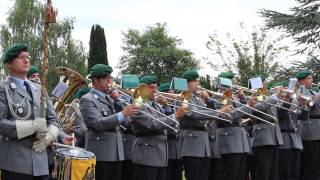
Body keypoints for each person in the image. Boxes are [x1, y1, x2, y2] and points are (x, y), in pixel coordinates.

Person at [0, 43, 59, 180]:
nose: (26, 60)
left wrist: (49, 136)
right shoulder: (4, 88)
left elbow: (54, 120)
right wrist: (33, 126)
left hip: (41, 163)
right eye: (21, 57)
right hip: (15, 164)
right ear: (9, 63)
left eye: (28, 57)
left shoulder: (40, 88)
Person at [79, 64, 138, 180]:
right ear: (95, 80)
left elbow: (126, 123)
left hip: (117, 154)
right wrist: (123, 114)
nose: (110, 81)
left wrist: (118, 102)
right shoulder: (87, 99)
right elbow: (97, 123)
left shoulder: (111, 99)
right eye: (107, 78)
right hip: (101, 154)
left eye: (111, 78)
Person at [130, 75, 187, 180]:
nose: (155, 90)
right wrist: (175, 116)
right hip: (146, 155)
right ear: (143, 89)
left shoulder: (157, 106)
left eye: (156, 87)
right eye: (152, 87)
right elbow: (153, 124)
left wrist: (168, 109)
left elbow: (169, 127)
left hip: (161, 156)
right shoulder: (138, 105)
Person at [179, 69, 232, 180]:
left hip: (203, 143)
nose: (198, 84)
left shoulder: (196, 98)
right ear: (187, 82)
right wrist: (219, 112)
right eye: (195, 81)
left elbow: (208, 114)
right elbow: (195, 113)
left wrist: (208, 100)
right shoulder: (184, 96)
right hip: (192, 144)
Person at [296, 70, 320, 180]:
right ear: (302, 81)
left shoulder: (314, 92)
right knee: (311, 162)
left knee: (316, 163)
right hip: (310, 131)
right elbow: (311, 103)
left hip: (317, 130)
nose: (312, 80)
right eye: (309, 78)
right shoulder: (301, 91)